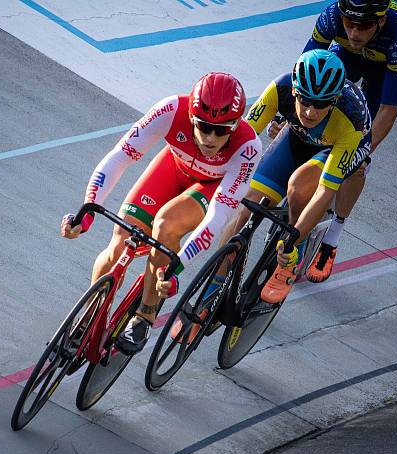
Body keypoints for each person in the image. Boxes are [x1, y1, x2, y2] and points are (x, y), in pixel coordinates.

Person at [61, 72, 262, 355]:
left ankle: (144, 316)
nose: (209, 137)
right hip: (173, 167)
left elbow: (216, 217)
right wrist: (87, 212)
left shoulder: (248, 148)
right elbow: (120, 157)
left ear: (236, 124)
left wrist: (176, 267)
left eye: (221, 130)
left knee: (166, 225)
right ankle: (90, 315)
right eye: (204, 126)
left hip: (209, 187)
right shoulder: (170, 109)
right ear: (192, 116)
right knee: (120, 240)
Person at [288, 0, 397, 282]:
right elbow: (302, 72)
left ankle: (332, 237)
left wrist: (362, 151)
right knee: (318, 93)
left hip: (383, 71)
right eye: (350, 23)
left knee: (357, 161)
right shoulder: (331, 17)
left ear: (380, 22)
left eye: (364, 26)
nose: (355, 33)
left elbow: (388, 109)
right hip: (346, 56)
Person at [243, 49, 372, 304]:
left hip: (339, 144)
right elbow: (242, 140)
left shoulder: (351, 118)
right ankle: (213, 288)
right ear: (294, 91)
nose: (311, 112)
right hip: (299, 136)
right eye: (305, 100)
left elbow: (325, 191)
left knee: (299, 186)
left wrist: (292, 240)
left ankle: (300, 251)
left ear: (333, 100)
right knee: (242, 212)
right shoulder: (280, 87)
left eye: (321, 104)